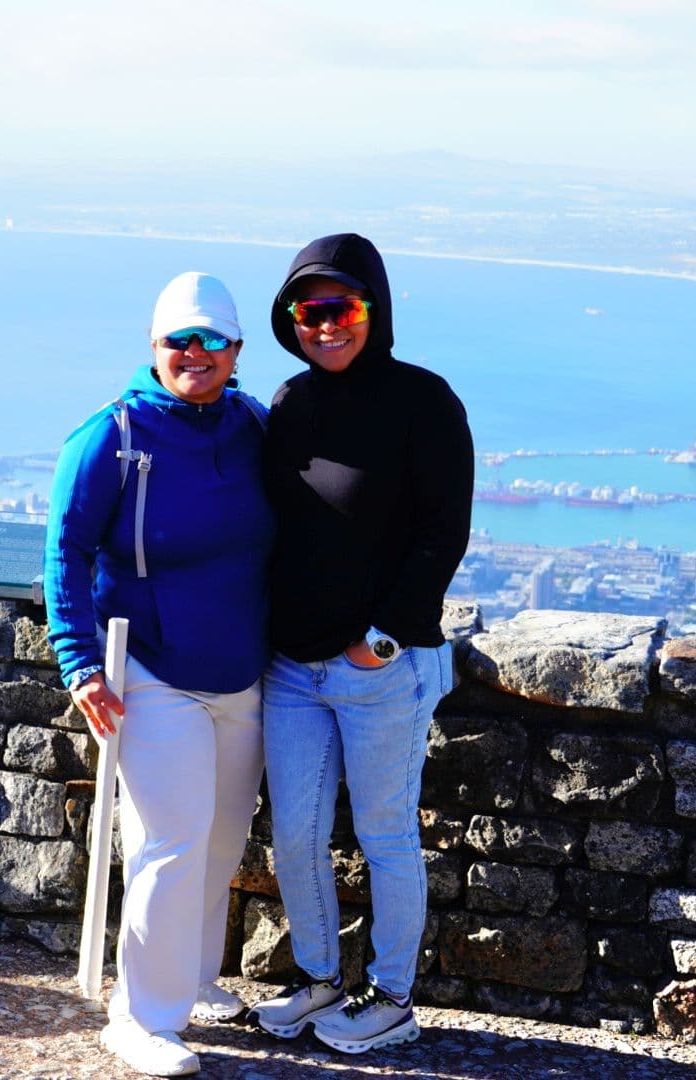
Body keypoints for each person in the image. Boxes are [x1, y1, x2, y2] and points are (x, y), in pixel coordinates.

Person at [247, 234, 473, 1054]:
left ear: (373, 311)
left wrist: (379, 641)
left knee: (383, 835)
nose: (325, 326)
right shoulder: (291, 403)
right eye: (309, 312)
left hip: (380, 668)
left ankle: (392, 998)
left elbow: (444, 533)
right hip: (292, 666)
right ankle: (317, 980)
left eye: (341, 308)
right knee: (296, 832)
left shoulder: (425, 401)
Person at [44, 271, 273, 1078]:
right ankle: (140, 1016)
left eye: (212, 339)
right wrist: (78, 661)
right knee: (170, 841)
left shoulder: (252, 425)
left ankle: (189, 979)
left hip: (242, 670)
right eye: (181, 338)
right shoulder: (112, 437)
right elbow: (64, 552)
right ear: (154, 345)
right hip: (151, 668)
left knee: (220, 840)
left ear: (238, 349)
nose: (195, 353)